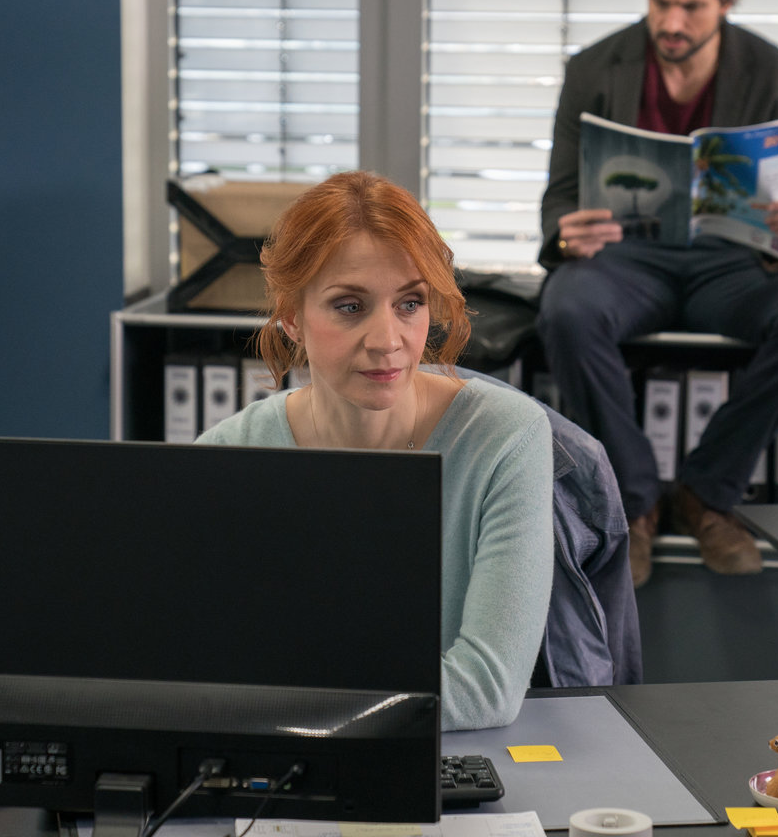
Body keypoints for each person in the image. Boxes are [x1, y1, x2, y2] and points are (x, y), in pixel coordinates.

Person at [536, 0, 778, 584]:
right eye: (659, 2)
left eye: (691, 7)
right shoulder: (593, 68)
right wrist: (566, 230)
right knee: (566, 308)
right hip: (625, 261)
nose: (671, 22)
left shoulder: (773, 70)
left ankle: (707, 493)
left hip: (729, 265)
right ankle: (635, 501)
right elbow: (558, 198)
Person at [197, 170, 554, 731]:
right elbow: (199, 668)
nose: (388, 341)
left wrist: (284, 700)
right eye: (349, 306)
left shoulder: (505, 438)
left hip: (446, 756)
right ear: (291, 316)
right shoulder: (227, 454)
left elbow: (488, 688)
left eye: (410, 303)